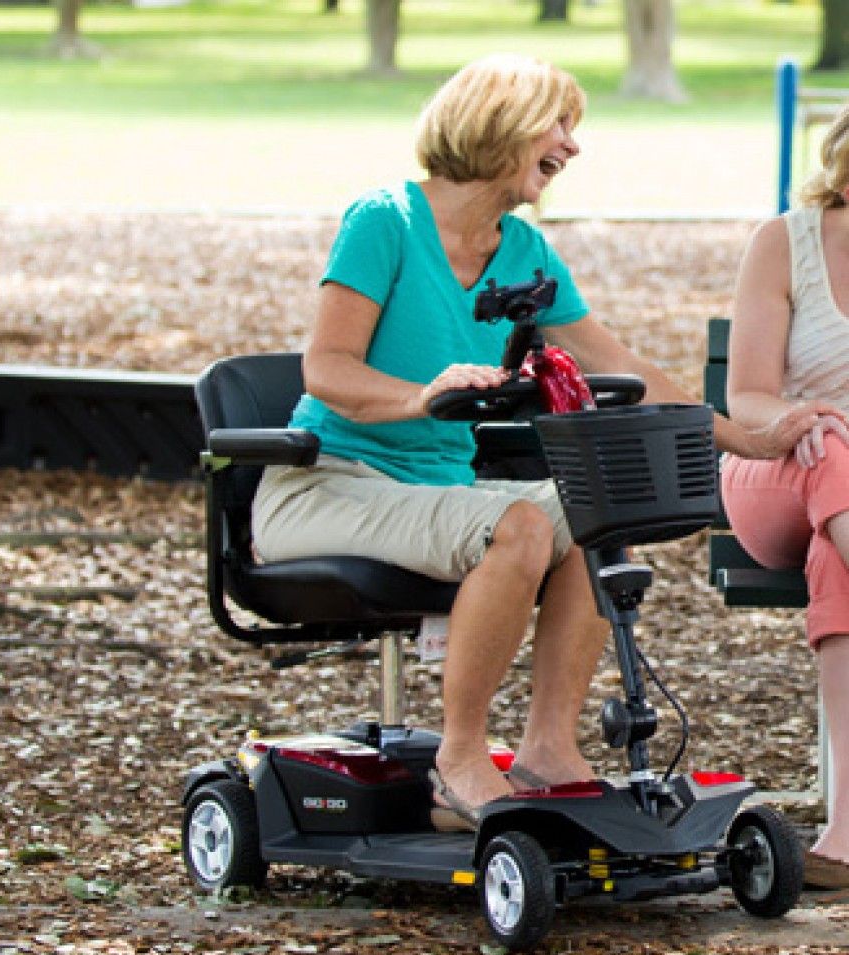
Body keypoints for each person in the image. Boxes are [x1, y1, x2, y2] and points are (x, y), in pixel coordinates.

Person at [251, 54, 836, 830]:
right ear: (501, 122)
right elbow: (326, 370)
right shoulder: (384, 220)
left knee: (595, 513)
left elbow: (620, 364)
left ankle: (548, 749)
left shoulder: (524, 250)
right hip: (326, 482)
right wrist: (418, 397)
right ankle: (459, 763)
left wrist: (749, 441)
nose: (572, 146)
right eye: (559, 126)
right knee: (523, 523)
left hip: (436, 489)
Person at [720, 102, 849, 889]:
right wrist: (798, 422)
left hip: (836, 518)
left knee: (842, 556)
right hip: (777, 470)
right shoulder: (787, 241)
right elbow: (747, 398)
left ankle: (847, 831)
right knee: (830, 440)